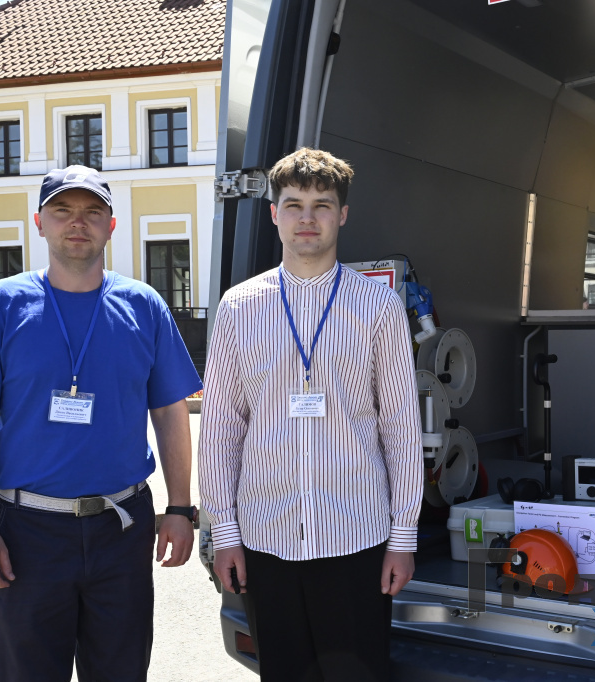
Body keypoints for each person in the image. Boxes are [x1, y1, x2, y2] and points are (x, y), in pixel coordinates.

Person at [0, 165, 203, 682]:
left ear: (111, 226)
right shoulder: (0, 306)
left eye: (93, 212)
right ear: (39, 222)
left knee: (121, 671)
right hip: (27, 533)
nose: (78, 222)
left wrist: (180, 508)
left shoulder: (144, 306)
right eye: (62, 211)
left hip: (122, 527)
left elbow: (170, 413)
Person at [199, 147, 423, 681]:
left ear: (342, 215)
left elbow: (400, 427)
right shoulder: (238, 308)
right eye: (293, 205)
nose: (307, 218)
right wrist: (224, 532)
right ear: (273, 214)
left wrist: (403, 537)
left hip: (357, 541)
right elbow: (222, 428)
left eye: (321, 205)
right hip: (266, 541)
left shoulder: (378, 307)